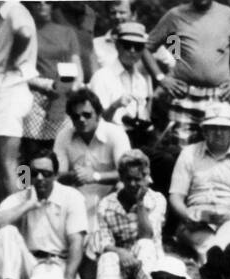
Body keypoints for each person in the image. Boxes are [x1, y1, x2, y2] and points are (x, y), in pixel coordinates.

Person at [168, 103, 230, 279]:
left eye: (224, 128)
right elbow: (175, 196)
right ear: (204, 130)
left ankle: (218, 263)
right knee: (205, 241)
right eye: (213, 128)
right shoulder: (188, 154)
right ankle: (225, 267)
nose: (218, 133)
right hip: (197, 218)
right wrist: (187, 215)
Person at [145, 0, 230, 153]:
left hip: (218, 95)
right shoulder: (175, 15)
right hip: (183, 95)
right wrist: (161, 78)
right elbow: (146, 48)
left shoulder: (229, 15)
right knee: (180, 153)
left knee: (217, 152)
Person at [0, 148, 86, 279]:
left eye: (46, 173)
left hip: (58, 264)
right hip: (29, 264)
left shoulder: (72, 197)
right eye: (34, 173)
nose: (40, 178)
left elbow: (76, 243)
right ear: (28, 174)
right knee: (6, 231)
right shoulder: (22, 197)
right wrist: (28, 205)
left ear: (55, 175)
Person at [85, 148, 165, 279]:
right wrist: (119, 252)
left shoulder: (157, 199)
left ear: (146, 177)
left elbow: (148, 235)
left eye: (138, 179)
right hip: (120, 258)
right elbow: (103, 242)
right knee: (107, 257)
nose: (133, 184)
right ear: (121, 178)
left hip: (147, 256)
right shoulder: (107, 204)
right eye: (128, 179)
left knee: (144, 245)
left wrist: (140, 204)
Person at [53, 88, 133, 219]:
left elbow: (127, 173)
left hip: (111, 199)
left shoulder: (116, 133)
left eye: (87, 114)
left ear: (99, 114)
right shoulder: (63, 136)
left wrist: (95, 176)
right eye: (75, 116)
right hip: (75, 199)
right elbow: (58, 176)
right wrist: (73, 176)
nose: (81, 120)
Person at [0, 0, 38, 199]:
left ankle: (16, 216)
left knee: (7, 162)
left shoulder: (13, 9)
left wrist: (12, 59)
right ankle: (23, 203)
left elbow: (24, 33)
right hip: (20, 89)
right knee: (19, 161)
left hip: (7, 89)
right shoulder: (16, 11)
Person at [21, 1, 85, 151]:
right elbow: (20, 68)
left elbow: (76, 63)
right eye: (37, 2)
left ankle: (57, 176)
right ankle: (25, 175)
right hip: (34, 96)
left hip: (64, 95)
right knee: (30, 151)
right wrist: (43, 86)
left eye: (47, 2)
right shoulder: (25, 32)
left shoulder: (67, 32)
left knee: (61, 150)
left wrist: (75, 86)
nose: (42, 5)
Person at [87, 20, 154, 144]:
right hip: (107, 141)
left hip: (136, 138)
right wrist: (115, 106)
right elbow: (95, 121)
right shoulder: (102, 77)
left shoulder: (141, 81)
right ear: (117, 45)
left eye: (138, 47)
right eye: (127, 45)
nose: (132, 51)